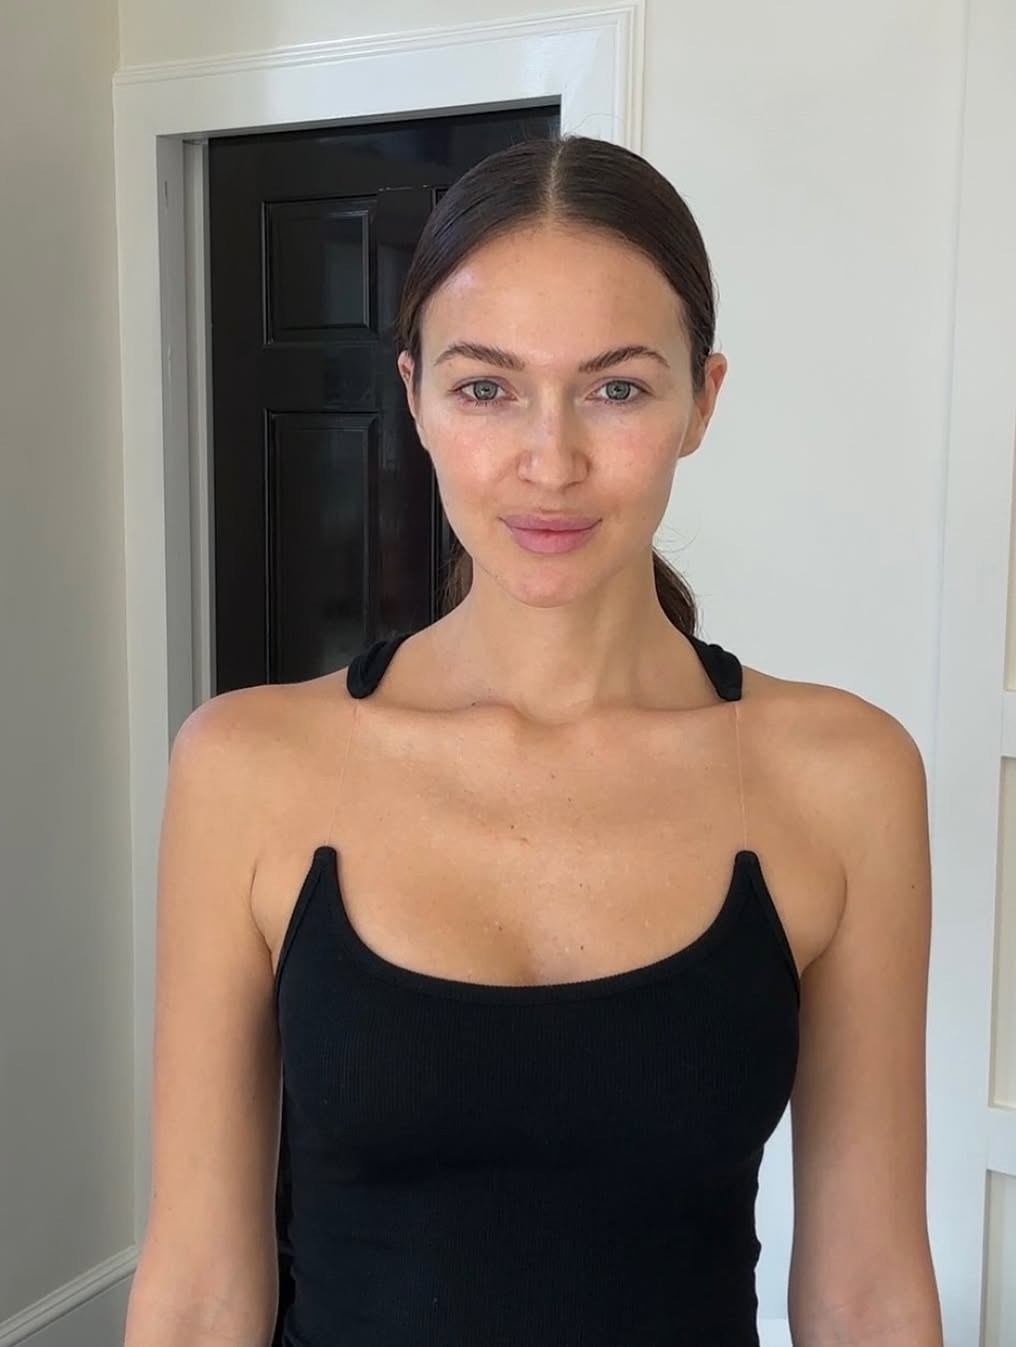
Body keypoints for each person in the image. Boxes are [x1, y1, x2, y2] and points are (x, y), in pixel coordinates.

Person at [123, 135, 943, 1346]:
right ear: (414, 397)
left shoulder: (844, 777)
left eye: (616, 389)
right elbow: (197, 1296)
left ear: (702, 400)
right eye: (485, 388)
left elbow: (867, 1293)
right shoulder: (245, 767)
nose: (550, 463)